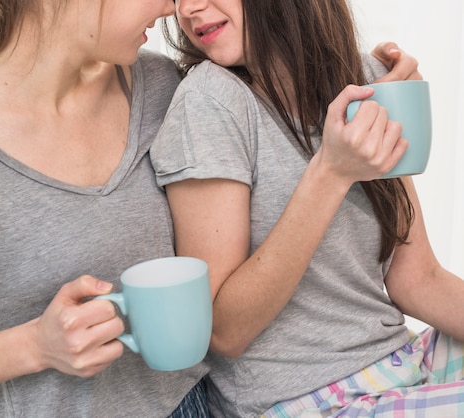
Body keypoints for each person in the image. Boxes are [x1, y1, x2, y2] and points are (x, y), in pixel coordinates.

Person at [0, 0, 420, 416]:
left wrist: (369, 77)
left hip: (210, 405)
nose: (174, 9)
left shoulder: (164, 88)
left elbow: (274, 103)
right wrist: (32, 346)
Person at [151, 0, 464, 417]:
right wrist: (331, 173)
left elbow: (418, 278)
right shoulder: (209, 102)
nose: (188, 8)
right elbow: (224, 332)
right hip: (304, 401)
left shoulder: (365, 80)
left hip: (398, 364)